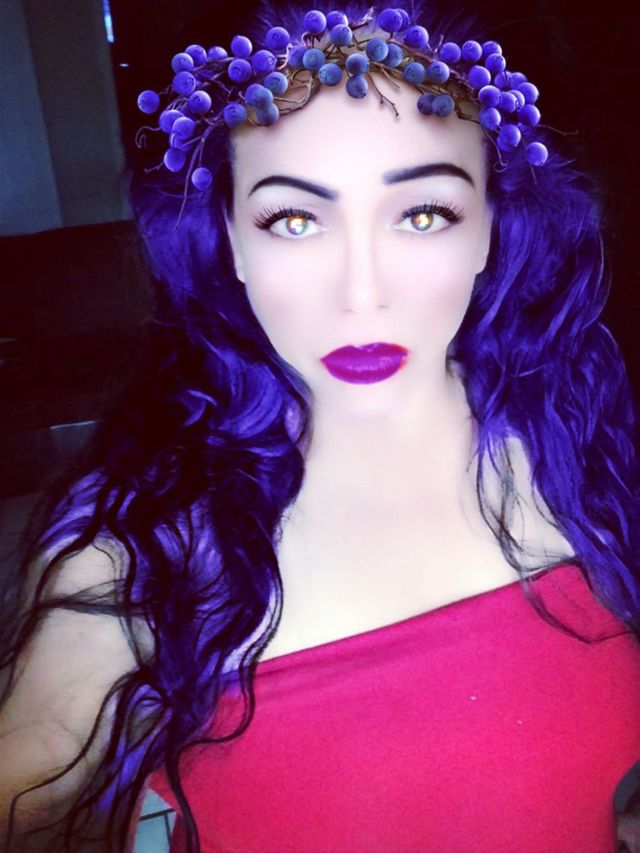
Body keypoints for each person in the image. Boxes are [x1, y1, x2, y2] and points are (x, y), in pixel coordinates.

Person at [1, 2, 639, 851]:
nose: (361, 294)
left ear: (490, 226)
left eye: (423, 213)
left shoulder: (585, 455)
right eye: (294, 219)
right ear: (231, 239)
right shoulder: (143, 547)